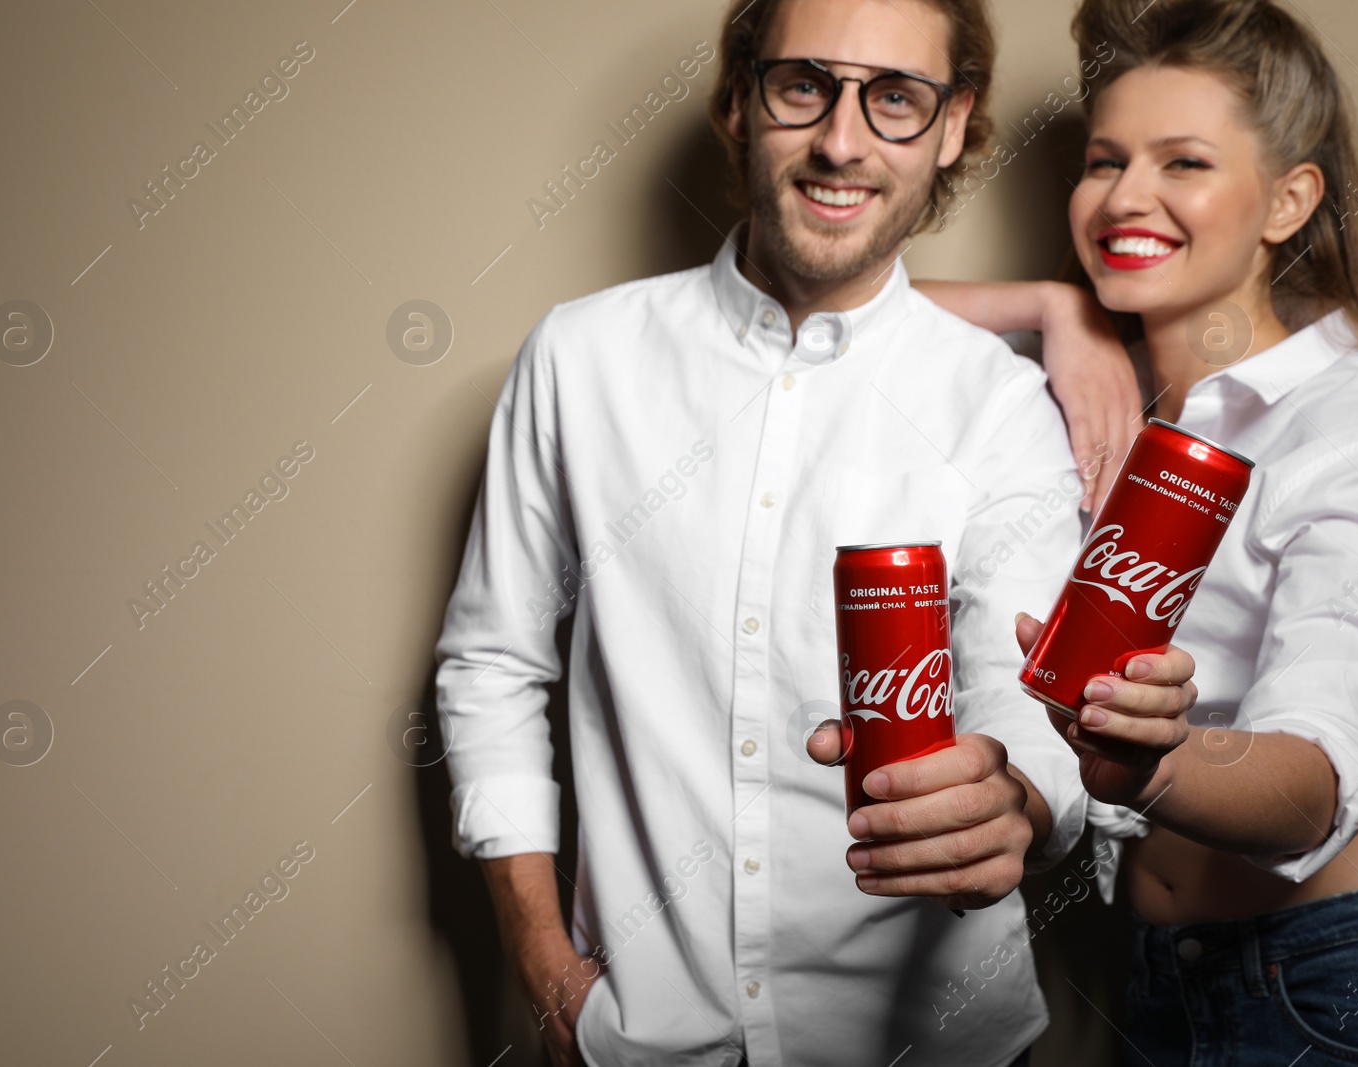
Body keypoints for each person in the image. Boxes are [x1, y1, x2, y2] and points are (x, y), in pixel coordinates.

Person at [431, 0, 1195, 1063]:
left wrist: (1011, 797)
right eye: (805, 86)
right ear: (740, 99)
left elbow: (1024, 691)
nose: (842, 141)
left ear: (953, 125)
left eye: (894, 99)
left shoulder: (999, 404)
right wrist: (546, 970)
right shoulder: (578, 362)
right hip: (646, 1041)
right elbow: (490, 665)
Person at [912, 0, 1358, 1062]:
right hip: (1156, 973)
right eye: (1104, 160)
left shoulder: (1355, 427)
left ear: (1287, 199)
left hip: (1337, 972)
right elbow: (831, 331)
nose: (1124, 196)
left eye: (1181, 161)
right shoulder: (1103, 390)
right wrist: (1054, 306)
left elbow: (1318, 773)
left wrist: (1150, 763)